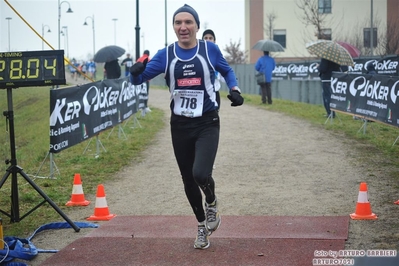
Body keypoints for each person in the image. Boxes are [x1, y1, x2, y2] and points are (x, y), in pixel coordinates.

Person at [129, 4, 243, 250]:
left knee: (200, 173)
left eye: (188, 22)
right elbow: (139, 79)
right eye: (178, 22)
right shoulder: (166, 54)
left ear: (197, 26)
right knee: (188, 180)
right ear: (174, 27)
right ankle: (201, 226)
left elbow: (227, 70)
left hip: (207, 121)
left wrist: (234, 89)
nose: (183, 27)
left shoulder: (209, 49)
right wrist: (134, 72)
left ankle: (211, 202)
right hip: (179, 124)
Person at [202, 29, 224, 110]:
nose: (208, 40)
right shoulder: (197, 56)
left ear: (214, 41)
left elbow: (224, 75)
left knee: (214, 118)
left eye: (210, 38)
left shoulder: (218, 57)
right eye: (205, 38)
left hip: (215, 93)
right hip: (201, 94)